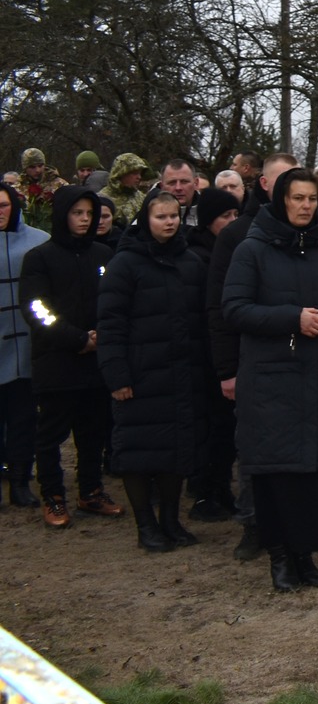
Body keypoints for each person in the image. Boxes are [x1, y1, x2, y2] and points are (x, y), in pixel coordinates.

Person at [222, 168, 318, 592]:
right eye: (297, 198)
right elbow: (234, 308)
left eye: (310, 198)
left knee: (317, 473)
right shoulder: (252, 250)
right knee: (276, 474)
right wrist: (293, 320)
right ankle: (281, 556)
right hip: (271, 380)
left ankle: (306, 553)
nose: (305, 206)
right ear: (281, 200)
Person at [97, 191, 210, 552]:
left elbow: (201, 321)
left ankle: (171, 521)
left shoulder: (190, 262)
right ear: (146, 219)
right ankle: (145, 524)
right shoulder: (125, 264)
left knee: (176, 452)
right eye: (161, 216)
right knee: (136, 452)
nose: (169, 222)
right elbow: (110, 323)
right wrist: (117, 375)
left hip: (181, 375)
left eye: (174, 216)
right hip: (140, 377)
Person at [207, 152, 301, 559]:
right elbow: (220, 307)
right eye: (280, 182)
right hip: (255, 361)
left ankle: (304, 524)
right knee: (255, 447)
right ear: (263, 184)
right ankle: (253, 525)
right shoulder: (237, 236)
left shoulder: (316, 233)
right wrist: (228, 369)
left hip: (305, 361)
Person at [20, 185, 120, 527]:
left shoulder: (103, 256)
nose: (84, 220)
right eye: (77, 213)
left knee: (93, 433)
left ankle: (91, 491)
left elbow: (114, 301)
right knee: (51, 436)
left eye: (89, 214)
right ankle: (53, 496)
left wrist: (102, 336)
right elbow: (37, 309)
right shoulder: (39, 257)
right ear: (63, 215)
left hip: (95, 363)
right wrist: (77, 338)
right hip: (57, 361)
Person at [186, 186, 244, 517]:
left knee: (225, 428)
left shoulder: (234, 249)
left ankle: (220, 488)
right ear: (208, 221)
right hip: (205, 353)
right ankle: (207, 490)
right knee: (210, 427)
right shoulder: (198, 256)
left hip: (225, 350)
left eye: (236, 214)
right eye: (225, 216)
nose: (233, 221)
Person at [2, 183, 49, 506]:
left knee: (23, 418)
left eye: (4, 205)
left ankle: (20, 480)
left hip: (27, 344)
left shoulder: (38, 241)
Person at [19, 150, 66, 232]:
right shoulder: (17, 188)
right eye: (32, 167)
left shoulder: (59, 185)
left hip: (53, 232)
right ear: (25, 168)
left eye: (40, 166)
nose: (37, 170)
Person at [104, 153, 151, 228]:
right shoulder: (102, 199)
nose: (139, 177)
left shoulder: (142, 198)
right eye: (135, 173)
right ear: (121, 173)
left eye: (140, 173)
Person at [158, 160, 201, 229]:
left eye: (184, 182)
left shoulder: (212, 215)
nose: (178, 188)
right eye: (172, 182)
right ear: (162, 186)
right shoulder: (148, 217)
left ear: (196, 183)